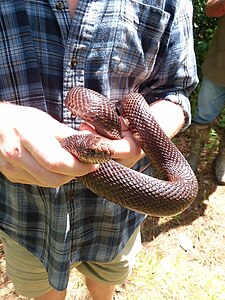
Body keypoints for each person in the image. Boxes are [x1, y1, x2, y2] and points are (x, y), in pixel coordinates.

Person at [0, 1, 197, 299]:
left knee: (106, 283)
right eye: (96, 154)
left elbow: (174, 91)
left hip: (115, 220)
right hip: (25, 214)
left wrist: (139, 137)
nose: (102, 155)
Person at [187, 0, 225, 184]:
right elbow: (211, 10)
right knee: (204, 114)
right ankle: (194, 154)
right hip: (220, 64)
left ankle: (223, 159)